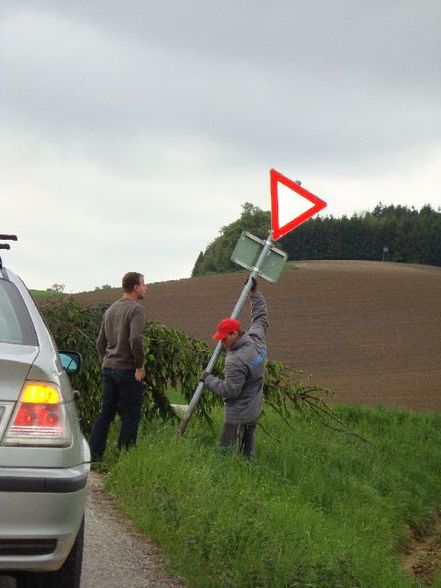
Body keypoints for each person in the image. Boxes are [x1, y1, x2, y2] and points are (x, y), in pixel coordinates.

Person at [200, 277, 268, 459]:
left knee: (225, 454)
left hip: (237, 415)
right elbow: (261, 316)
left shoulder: (235, 361)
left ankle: (226, 480)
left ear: (235, 333)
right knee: (247, 450)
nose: (221, 342)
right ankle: (249, 471)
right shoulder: (257, 339)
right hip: (254, 408)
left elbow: (230, 390)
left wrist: (208, 379)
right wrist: (255, 293)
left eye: (224, 338)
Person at [89, 271, 146, 461]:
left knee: (106, 412)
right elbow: (135, 339)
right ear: (136, 287)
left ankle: (94, 455)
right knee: (131, 414)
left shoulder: (111, 309)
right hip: (127, 369)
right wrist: (139, 366)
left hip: (109, 367)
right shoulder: (136, 309)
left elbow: (100, 342)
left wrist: (105, 360)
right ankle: (124, 457)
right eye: (144, 284)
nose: (146, 288)